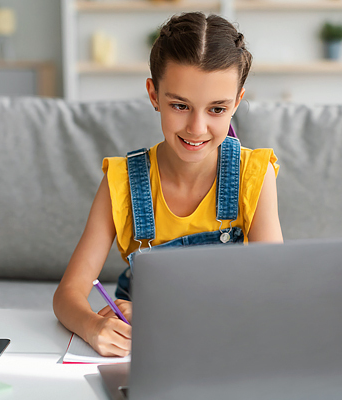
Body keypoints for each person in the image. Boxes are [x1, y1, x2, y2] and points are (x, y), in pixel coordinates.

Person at [53, 12, 283, 357]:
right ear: (153, 94)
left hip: (224, 341)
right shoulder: (122, 181)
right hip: (146, 351)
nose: (196, 127)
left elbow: (275, 292)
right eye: (180, 105)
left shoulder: (255, 174)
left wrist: (160, 315)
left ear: (237, 102)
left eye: (217, 109)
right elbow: (67, 294)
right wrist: (92, 326)